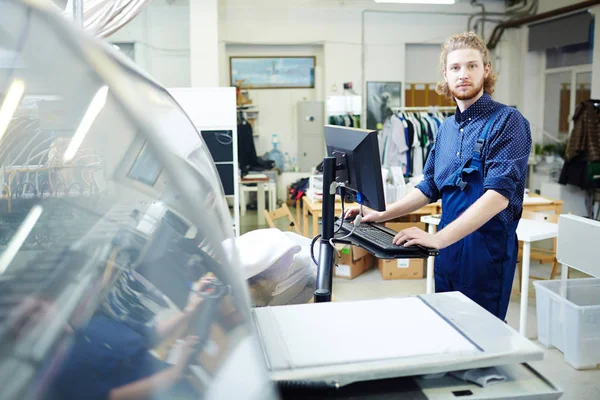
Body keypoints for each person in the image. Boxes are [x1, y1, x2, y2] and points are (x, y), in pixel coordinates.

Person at [346, 32, 531, 321]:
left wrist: (439, 238)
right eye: (455, 68)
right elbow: (429, 186)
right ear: (446, 75)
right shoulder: (445, 130)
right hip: (447, 251)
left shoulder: (507, 122)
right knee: (447, 328)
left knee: (482, 336)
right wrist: (380, 215)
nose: (463, 74)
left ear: (486, 70)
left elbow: (498, 198)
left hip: (486, 253)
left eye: (471, 66)